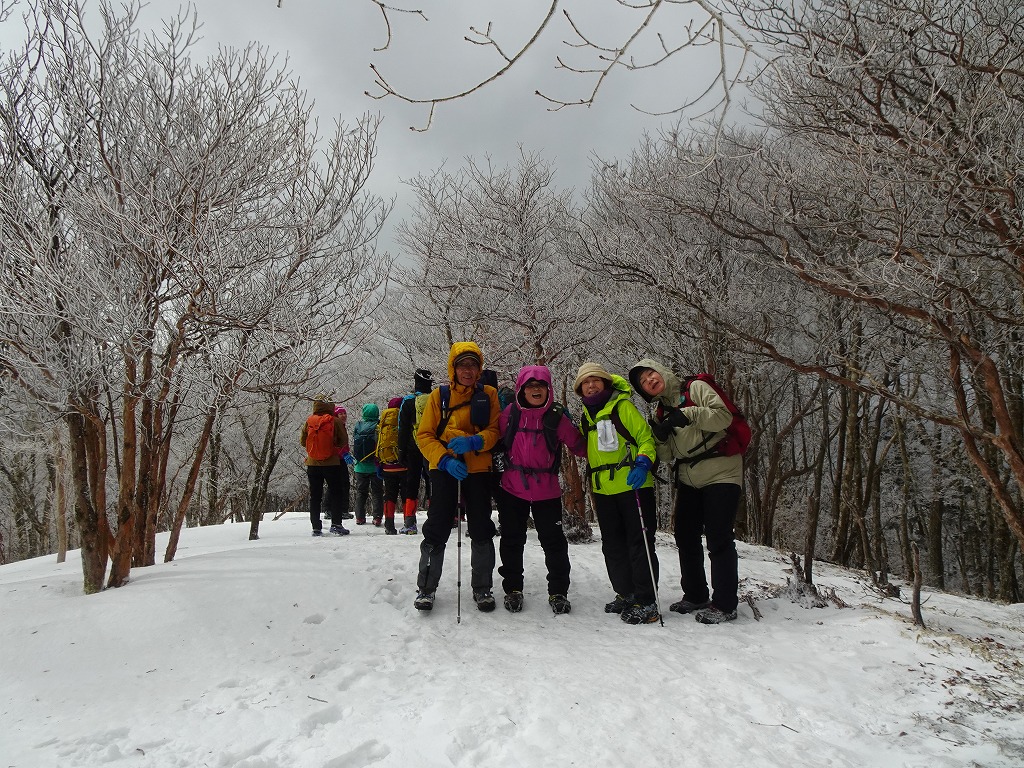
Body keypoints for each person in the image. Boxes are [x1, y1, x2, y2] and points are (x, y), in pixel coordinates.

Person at [629, 359, 742, 624]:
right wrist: (660, 437)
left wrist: (690, 414)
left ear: (661, 371)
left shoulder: (696, 388)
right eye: (643, 382)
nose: (649, 381)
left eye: (650, 374)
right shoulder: (661, 412)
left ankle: (725, 604)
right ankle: (695, 594)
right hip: (689, 476)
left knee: (718, 538)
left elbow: (723, 417)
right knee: (685, 536)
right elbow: (668, 455)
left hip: (722, 470)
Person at [413, 342, 501, 612]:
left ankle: (482, 587)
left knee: (481, 527)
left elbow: (495, 430)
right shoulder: (438, 397)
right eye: (463, 365)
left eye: (473, 365)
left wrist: (475, 441)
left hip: (478, 470)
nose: (468, 371)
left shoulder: (489, 394)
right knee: (437, 525)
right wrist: (444, 459)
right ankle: (426, 588)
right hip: (445, 469)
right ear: (453, 368)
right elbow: (424, 435)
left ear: (479, 368)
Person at [574, 361, 660, 625]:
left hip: (633, 486)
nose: (591, 385)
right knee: (612, 545)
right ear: (580, 389)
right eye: (586, 382)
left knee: (639, 543)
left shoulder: (623, 407)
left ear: (605, 383)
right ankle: (626, 592)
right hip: (604, 489)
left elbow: (645, 438)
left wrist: (643, 463)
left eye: (596, 380)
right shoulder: (586, 417)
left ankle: (647, 600)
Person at [496, 365, 587, 614]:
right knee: (512, 539)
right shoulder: (510, 414)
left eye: (541, 385)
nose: (536, 390)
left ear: (549, 389)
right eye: (530, 386)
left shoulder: (556, 418)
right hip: (512, 488)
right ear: (521, 389)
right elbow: (492, 438)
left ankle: (558, 591)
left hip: (546, 490)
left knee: (553, 542)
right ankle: (513, 589)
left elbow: (580, 446)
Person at [299, 395, 351, 537]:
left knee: (315, 496)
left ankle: (316, 527)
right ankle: (336, 524)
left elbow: (303, 441)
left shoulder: (309, 421)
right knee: (336, 493)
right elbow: (343, 441)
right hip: (332, 463)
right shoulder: (334, 421)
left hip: (312, 464)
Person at [396, 369, 433, 535]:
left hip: (413, 449)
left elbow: (402, 428)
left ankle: (410, 522)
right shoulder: (436, 399)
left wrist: (401, 450)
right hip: (432, 447)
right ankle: (436, 518)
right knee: (434, 480)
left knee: (412, 483)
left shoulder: (408, 401)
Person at [351, 403, 384, 526]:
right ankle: (377, 517)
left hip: (360, 466)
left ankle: (359, 517)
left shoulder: (358, 425)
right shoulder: (379, 426)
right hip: (375, 466)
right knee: (377, 492)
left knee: (361, 492)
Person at [377, 396, 405, 535]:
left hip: (387, 465)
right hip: (404, 465)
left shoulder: (383, 422)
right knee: (407, 494)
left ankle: (389, 525)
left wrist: (379, 464)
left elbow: (378, 444)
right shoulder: (404, 418)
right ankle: (409, 523)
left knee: (389, 495)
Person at [323, 405, 355, 521]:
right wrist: (344, 453)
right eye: (341, 413)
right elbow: (335, 443)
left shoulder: (341, 426)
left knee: (340, 484)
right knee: (340, 484)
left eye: (344, 413)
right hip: (337, 459)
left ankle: (334, 509)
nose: (344, 415)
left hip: (339, 458)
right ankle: (336, 510)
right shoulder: (335, 426)